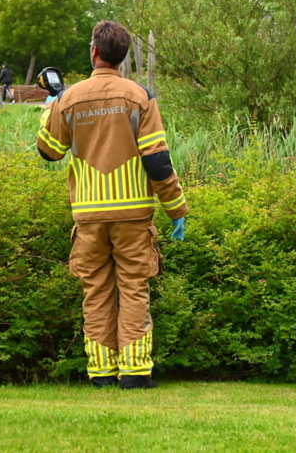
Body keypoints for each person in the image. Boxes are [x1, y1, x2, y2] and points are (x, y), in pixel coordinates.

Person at [36, 20, 188, 390]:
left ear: (93, 52)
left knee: (96, 291)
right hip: (134, 215)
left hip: (88, 216)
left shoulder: (69, 98)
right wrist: (176, 208)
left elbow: (48, 151)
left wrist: (50, 110)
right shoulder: (140, 96)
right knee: (134, 288)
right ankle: (135, 373)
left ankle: (101, 373)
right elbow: (157, 159)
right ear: (121, 57)